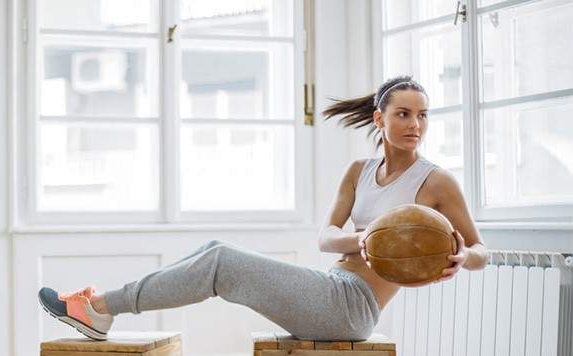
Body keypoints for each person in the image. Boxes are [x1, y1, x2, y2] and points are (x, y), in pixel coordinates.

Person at [39, 75, 489, 342]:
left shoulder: (437, 181)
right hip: (331, 284)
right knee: (215, 247)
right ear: (380, 119)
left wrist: (461, 257)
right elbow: (325, 237)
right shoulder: (358, 170)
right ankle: (101, 312)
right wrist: (361, 239)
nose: (416, 125)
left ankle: (100, 308)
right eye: (404, 114)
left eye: (423, 115)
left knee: (219, 262)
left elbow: (481, 252)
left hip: (352, 308)